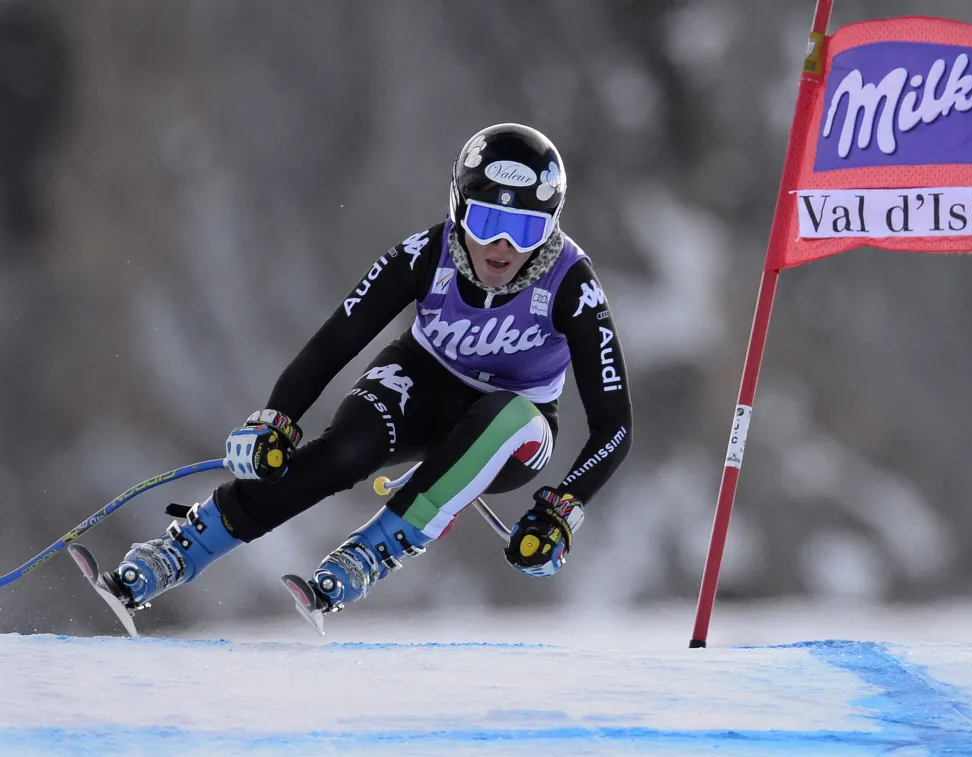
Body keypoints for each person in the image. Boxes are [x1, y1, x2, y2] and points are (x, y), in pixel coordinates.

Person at [97, 123, 633, 623]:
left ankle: (373, 552)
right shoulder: (426, 253)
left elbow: (614, 425)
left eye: (525, 229)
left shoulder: (572, 285)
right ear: (458, 209)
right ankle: (181, 550)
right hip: (423, 380)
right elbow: (338, 340)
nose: (503, 248)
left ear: (551, 226)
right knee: (349, 449)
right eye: (488, 222)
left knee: (504, 413)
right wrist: (276, 418)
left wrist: (562, 510)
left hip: (518, 428)